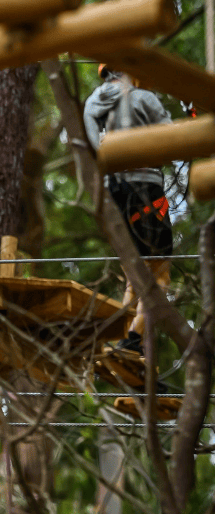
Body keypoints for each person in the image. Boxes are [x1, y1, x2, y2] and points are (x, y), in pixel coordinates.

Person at [83, 67, 176, 396]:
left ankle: (126, 344)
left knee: (132, 277)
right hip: (147, 190)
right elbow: (170, 138)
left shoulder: (92, 104)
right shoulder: (143, 98)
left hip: (113, 195)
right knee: (160, 275)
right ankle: (132, 339)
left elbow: (94, 147)